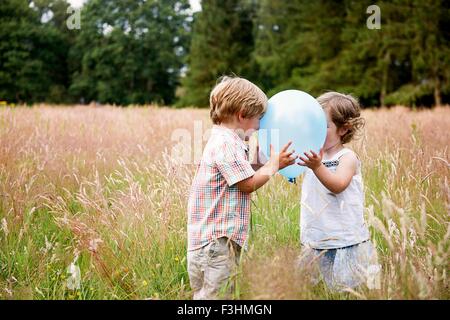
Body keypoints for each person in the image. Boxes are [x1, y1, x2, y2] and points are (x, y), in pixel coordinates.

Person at [187, 76, 296, 299]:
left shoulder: (229, 140)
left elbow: (246, 171)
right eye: (258, 119)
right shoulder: (226, 144)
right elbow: (247, 184)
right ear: (242, 115)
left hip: (215, 242)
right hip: (215, 244)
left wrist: (266, 157)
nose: (259, 126)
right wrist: (274, 165)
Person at [297, 92, 380, 291]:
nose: (315, 130)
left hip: (344, 239)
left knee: (345, 289)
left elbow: (338, 184)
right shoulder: (315, 156)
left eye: (323, 125)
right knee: (316, 289)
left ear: (343, 129)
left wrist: (317, 167)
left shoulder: (347, 157)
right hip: (317, 237)